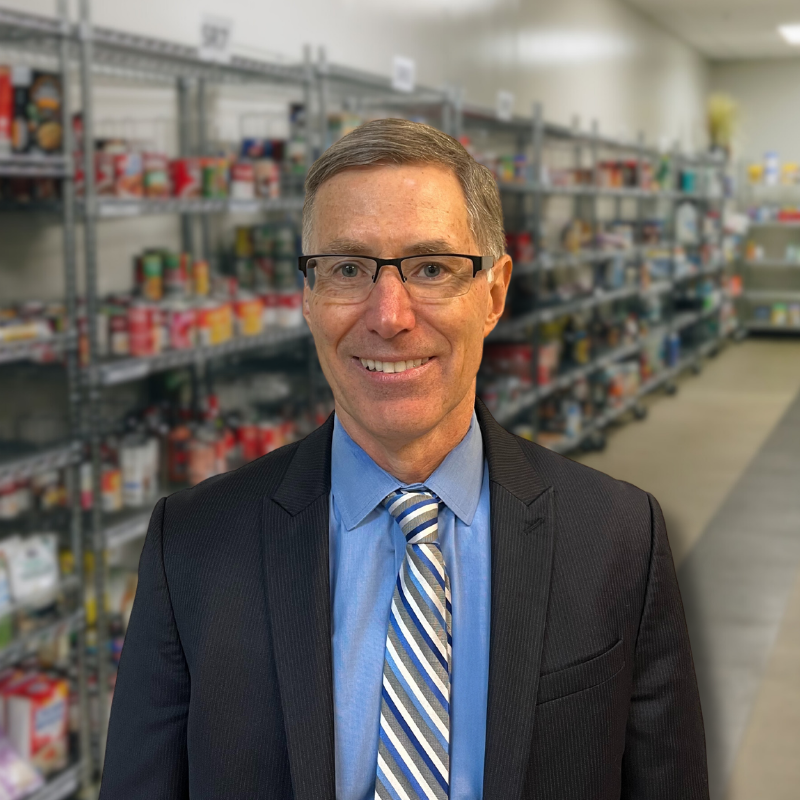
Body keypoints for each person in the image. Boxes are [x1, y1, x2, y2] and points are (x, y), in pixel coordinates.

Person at [100, 118, 708, 800]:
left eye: (431, 268)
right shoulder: (193, 546)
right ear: (308, 297)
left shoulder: (620, 536)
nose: (389, 315)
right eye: (348, 269)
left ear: (494, 294)